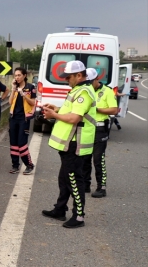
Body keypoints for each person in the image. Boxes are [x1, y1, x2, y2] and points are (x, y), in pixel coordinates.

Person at [41, 60, 97, 229]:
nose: (66, 80)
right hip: (69, 143)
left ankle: (79, 216)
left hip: (75, 143)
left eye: (69, 77)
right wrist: (56, 109)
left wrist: (53, 115)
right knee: (64, 177)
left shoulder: (84, 93)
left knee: (74, 179)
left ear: (79, 75)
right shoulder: (77, 90)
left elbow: (74, 118)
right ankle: (60, 209)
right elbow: (70, 111)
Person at [82, 67, 117, 198]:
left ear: (97, 78)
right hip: (87, 128)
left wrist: (97, 109)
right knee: (85, 157)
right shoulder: (86, 91)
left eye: (91, 81)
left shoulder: (107, 91)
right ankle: (85, 184)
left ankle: (101, 188)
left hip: (100, 129)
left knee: (98, 159)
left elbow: (114, 110)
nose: (89, 84)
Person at [8, 67, 36, 174]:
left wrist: (24, 95)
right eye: (15, 75)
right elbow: (10, 102)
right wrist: (13, 89)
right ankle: (15, 165)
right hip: (13, 118)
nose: (17, 77)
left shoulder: (30, 87)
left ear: (24, 76)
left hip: (24, 119)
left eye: (19, 75)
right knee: (13, 143)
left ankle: (29, 164)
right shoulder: (15, 88)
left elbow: (33, 103)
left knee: (22, 143)